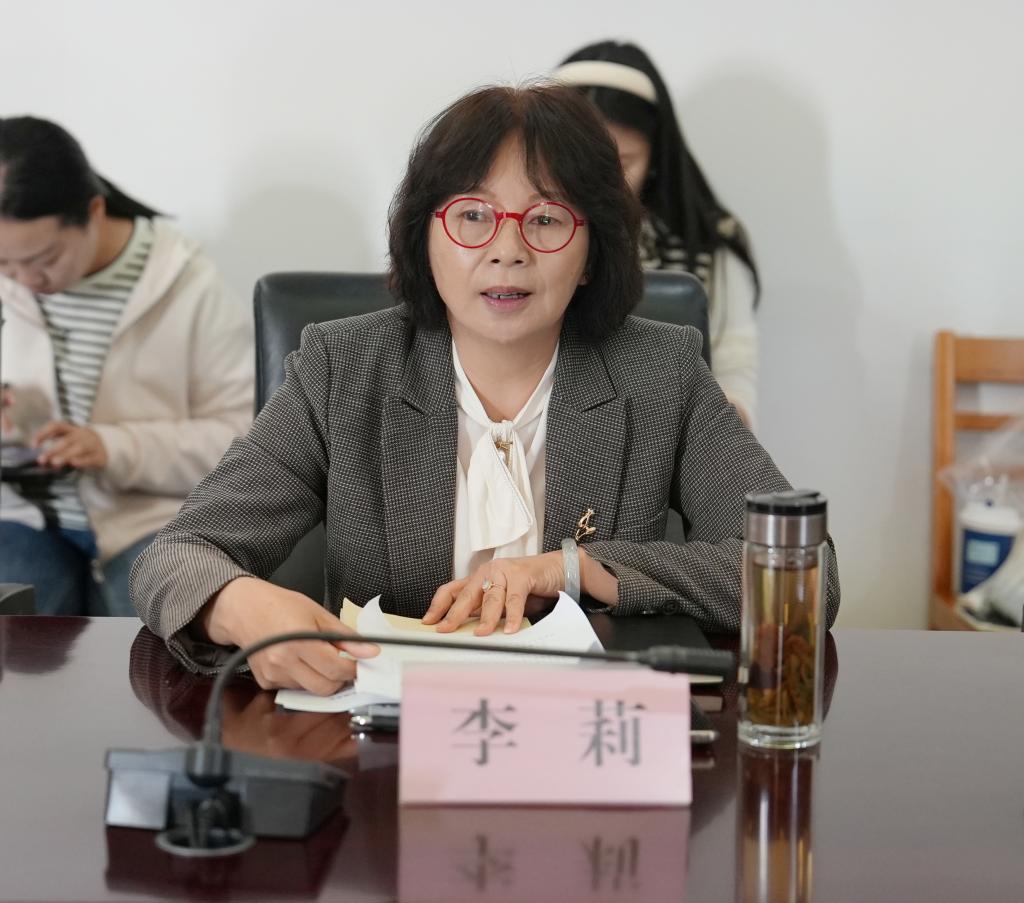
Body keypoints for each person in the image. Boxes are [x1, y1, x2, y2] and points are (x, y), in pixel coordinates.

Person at [131, 83, 839, 695]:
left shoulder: (660, 373)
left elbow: (805, 577)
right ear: (425, 237)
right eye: (473, 215)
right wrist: (241, 607)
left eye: (546, 219)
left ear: (593, 251)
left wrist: (576, 570)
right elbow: (176, 556)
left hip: (585, 744)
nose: (507, 250)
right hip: (387, 752)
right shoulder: (344, 369)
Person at [0, 116, 252, 616]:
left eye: (44, 258)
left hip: (149, 519)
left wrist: (113, 447)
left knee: (150, 642)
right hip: (20, 514)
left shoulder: (185, 285)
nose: (24, 279)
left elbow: (248, 443)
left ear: (93, 211)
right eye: (3, 264)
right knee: (19, 643)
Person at [554, 41, 761, 425]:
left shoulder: (710, 241)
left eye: (621, 163)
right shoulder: (512, 241)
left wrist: (715, 419)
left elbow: (734, 369)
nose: (598, 184)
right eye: (577, 164)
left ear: (655, 156)